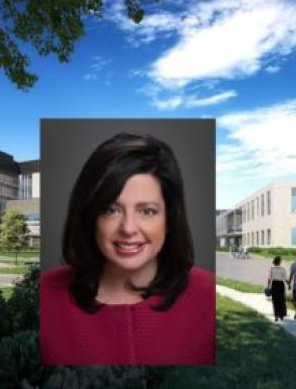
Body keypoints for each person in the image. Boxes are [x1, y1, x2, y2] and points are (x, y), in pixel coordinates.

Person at [40, 132, 215, 365]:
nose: (129, 228)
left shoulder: (209, 294)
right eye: (111, 209)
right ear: (90, 216)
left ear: (170, 218)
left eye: (147, 211)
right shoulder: (44, 293)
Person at [268, 256, 287, 321]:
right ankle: (281, 315)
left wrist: (268, 286)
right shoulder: (283, 269)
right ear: (280, 262)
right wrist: (289, 284)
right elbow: (285, 278)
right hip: (281, 284)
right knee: (281, 300)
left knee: (275, 300)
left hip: (274, 284)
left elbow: (269, 278)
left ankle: (276, 316)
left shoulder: (272, 268)